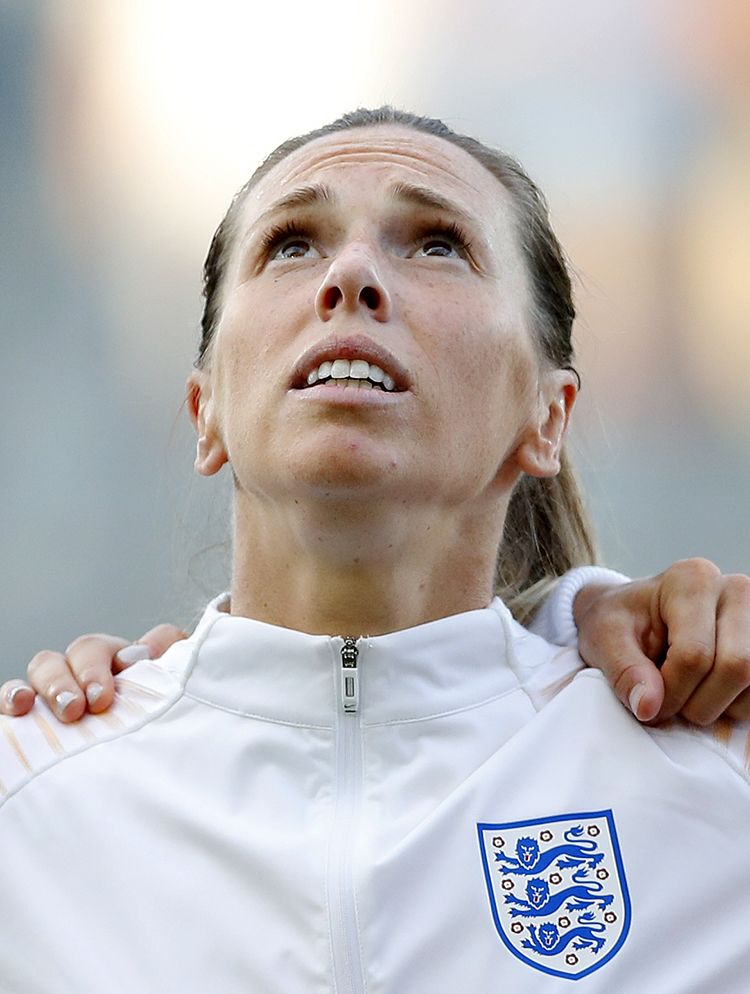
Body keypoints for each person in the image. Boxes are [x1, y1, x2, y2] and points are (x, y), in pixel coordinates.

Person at [1, 107, 748, 993]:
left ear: (547, 418)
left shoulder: (717, 787)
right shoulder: (29, 800)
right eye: (290, 245)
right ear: (208, 415)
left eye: (435, 244)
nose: (351, 275)